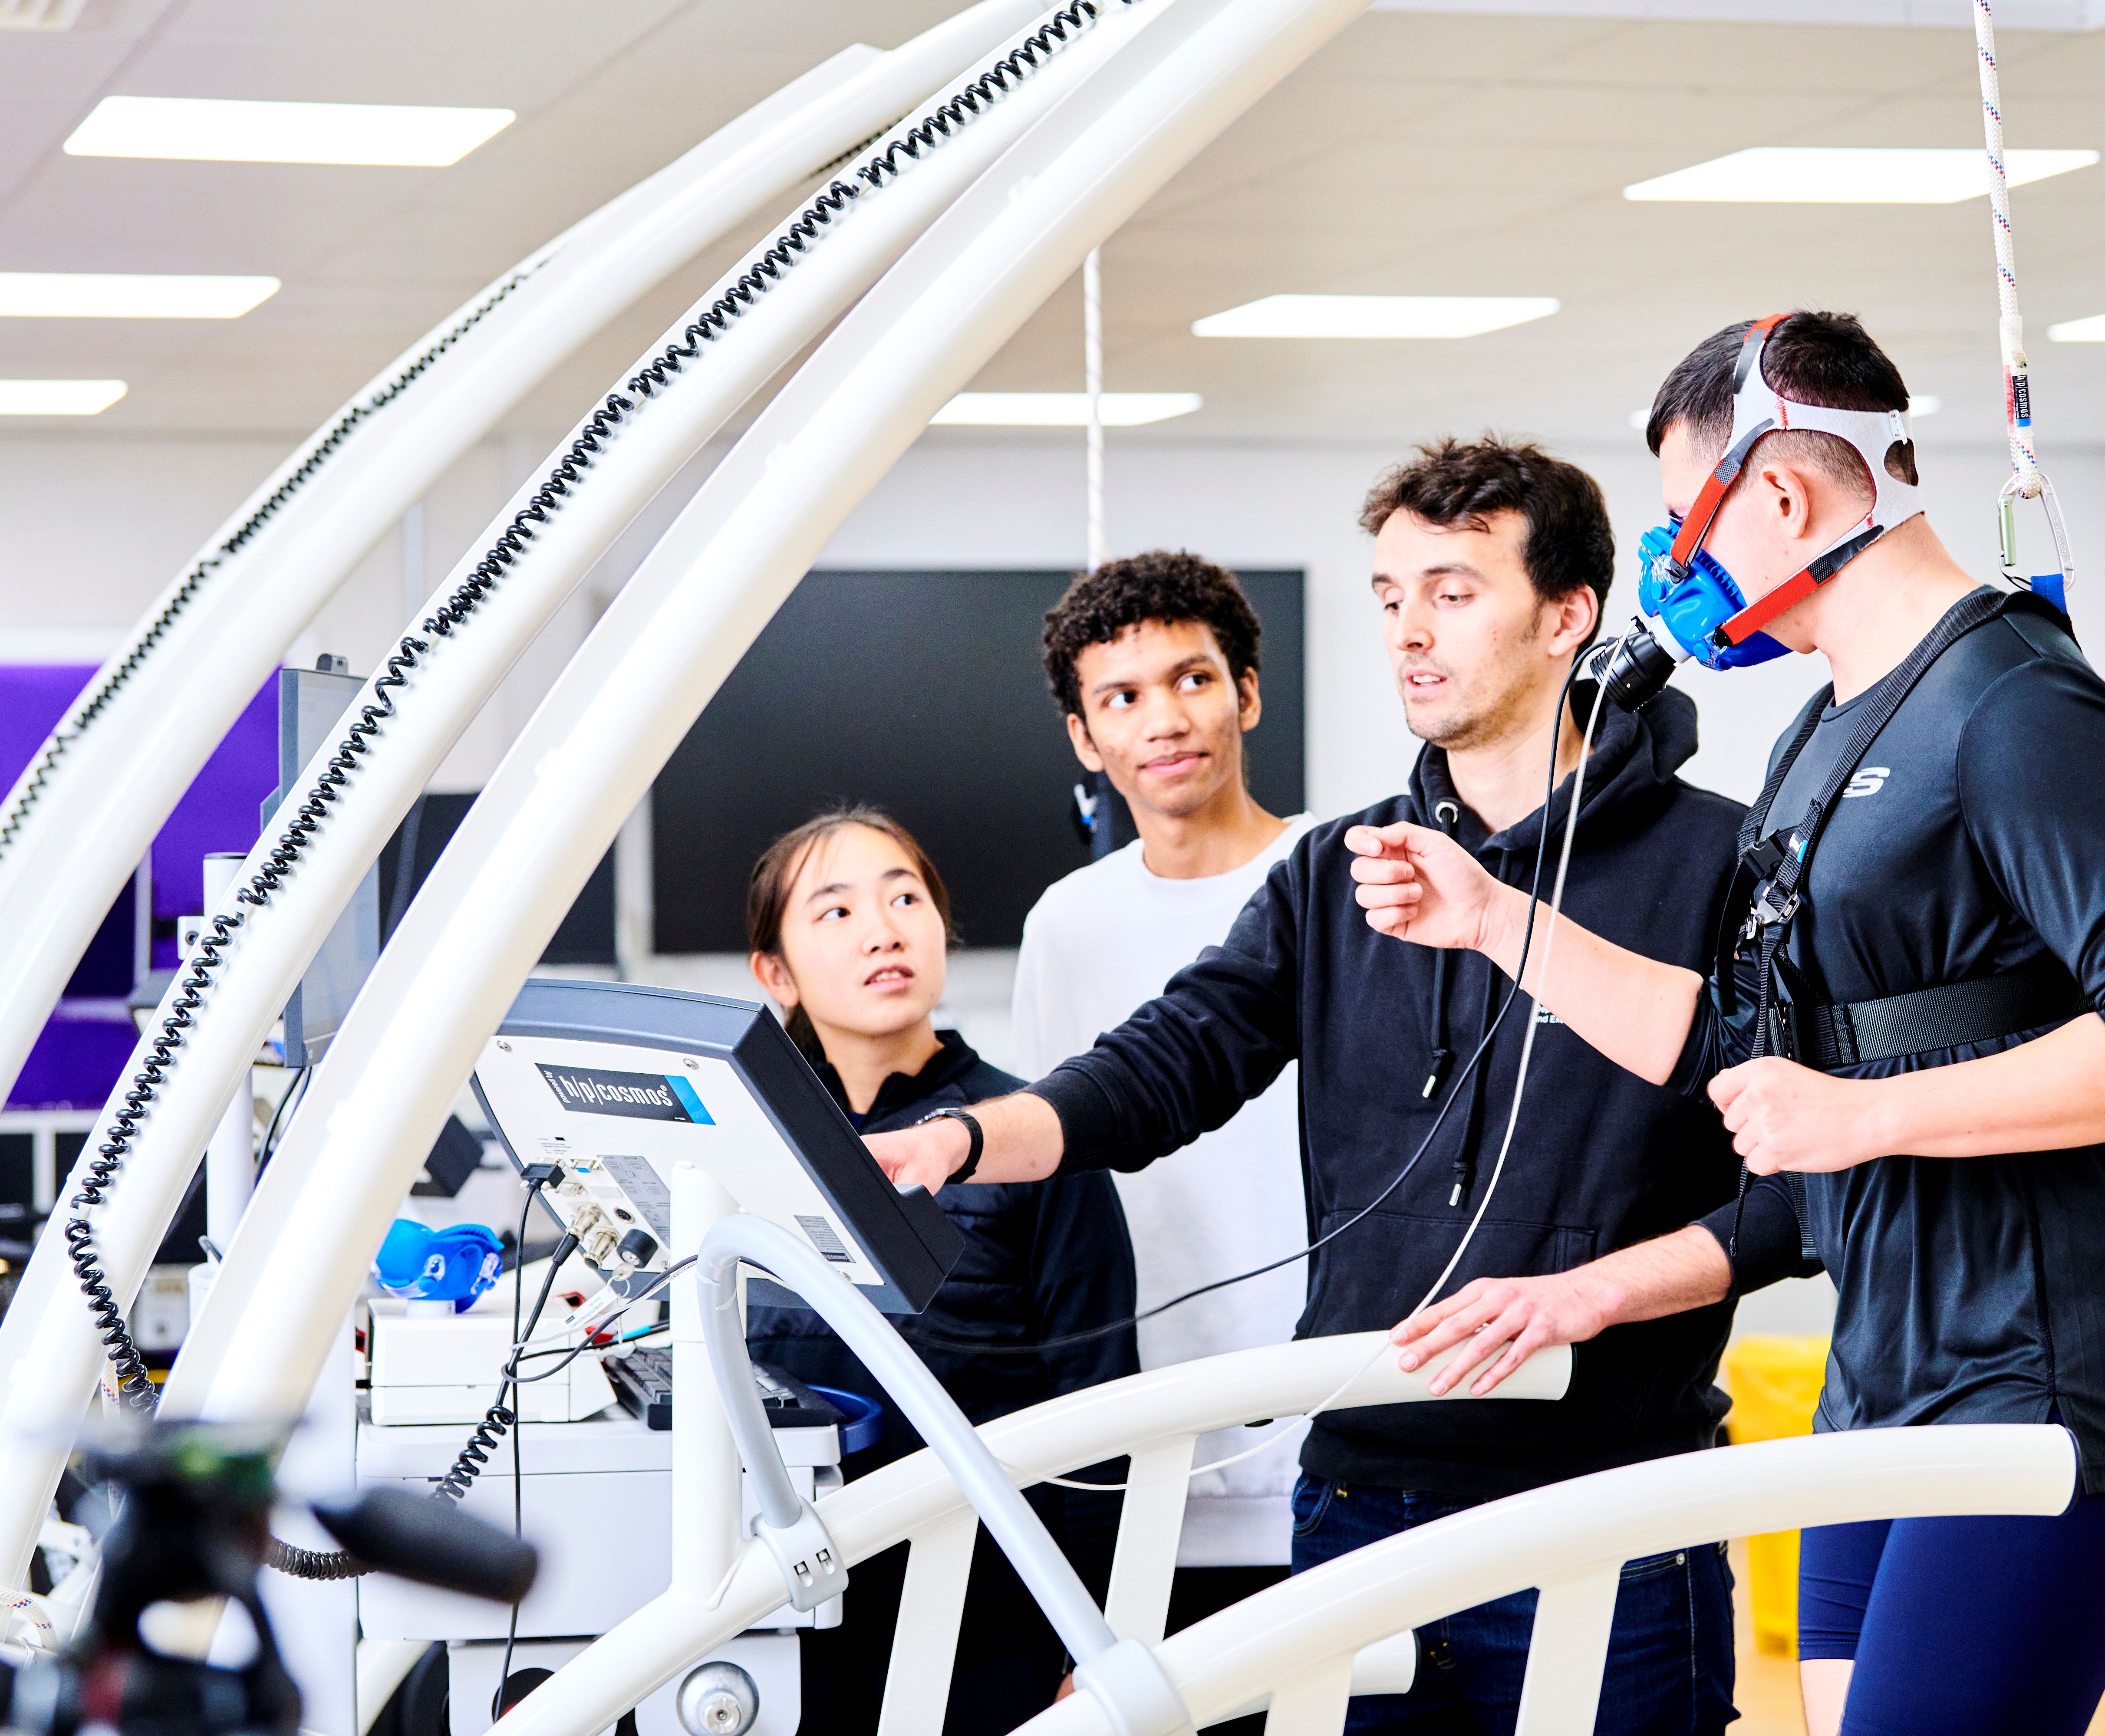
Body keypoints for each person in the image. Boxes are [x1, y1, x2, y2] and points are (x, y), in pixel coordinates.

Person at [1358, 313, 2105, 1736]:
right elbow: (1748, 1049)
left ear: (1777, 495)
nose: (1671, 562)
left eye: (1681, 518)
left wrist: (1864, 1114)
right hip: (1889, 1369)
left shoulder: (2016, 699)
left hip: (2051, 1375)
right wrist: (1495, 922)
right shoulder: (1820, 732)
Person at [873, 437, 1750, 1736]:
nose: (1409, 632)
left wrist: (1596, 1293)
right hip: (1358, 1504)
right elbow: (1165, 1065)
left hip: (1605, 1502)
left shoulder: (1724, 860)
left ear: (1569, 616)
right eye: (1391, 596)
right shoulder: (1343, 868)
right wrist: (956, 1138)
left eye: (1452, 591)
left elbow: (1801, 1191)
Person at [740, 807, 1137, 1736]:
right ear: (776, 974)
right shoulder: (744, 1146)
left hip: (989, 1631)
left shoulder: (1028, 1138)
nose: (884, 931)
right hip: (781, 1621)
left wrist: (1093, 1649)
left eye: (906, 899)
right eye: (837, 912)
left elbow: (1102, 1414)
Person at [1011, 552, 1316, 1632]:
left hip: (1335, 1419)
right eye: (1123, 697)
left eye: (1193, 679)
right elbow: (1051, 1189)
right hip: (1143, 1438)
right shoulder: (1067, 922)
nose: (1166, 719)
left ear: (1247, 692)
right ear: (1085, 738)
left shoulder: (1338, 874)